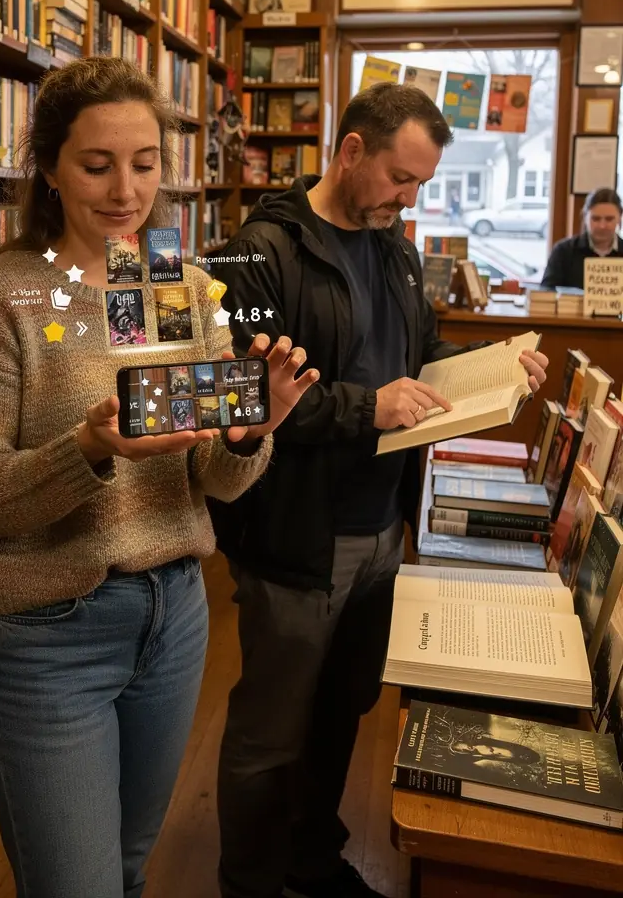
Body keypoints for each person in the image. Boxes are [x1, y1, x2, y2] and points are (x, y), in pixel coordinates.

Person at [0, 58, 320, 898]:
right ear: (49, 168)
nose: (125, 190)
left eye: (144, 163)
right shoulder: (2, 298)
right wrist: (90, 451)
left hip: (173, 614)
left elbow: (212, 480)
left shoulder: (171, 281)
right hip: (48, 632)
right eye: (96, 164)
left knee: (130, 870)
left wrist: (252, 432)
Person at [210, 83, 548, 898]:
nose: (410, 198)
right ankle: (249, 883)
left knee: (340, 713)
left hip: (381, 526)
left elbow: (421, 354)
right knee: (271, 730)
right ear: (351, 150)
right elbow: (243, 395)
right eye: (402, 178)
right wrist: (372, 405)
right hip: (296, 532)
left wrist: (495, 365)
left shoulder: (395, 248)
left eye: (423, 185)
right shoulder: (255, 249)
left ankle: (311, 861)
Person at [541, 187, 623, 288]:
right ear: (585, 217)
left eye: (609, 219)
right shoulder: (563, 251)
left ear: (619, 219)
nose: (602, 226)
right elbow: (546, 292)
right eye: (596, 219)